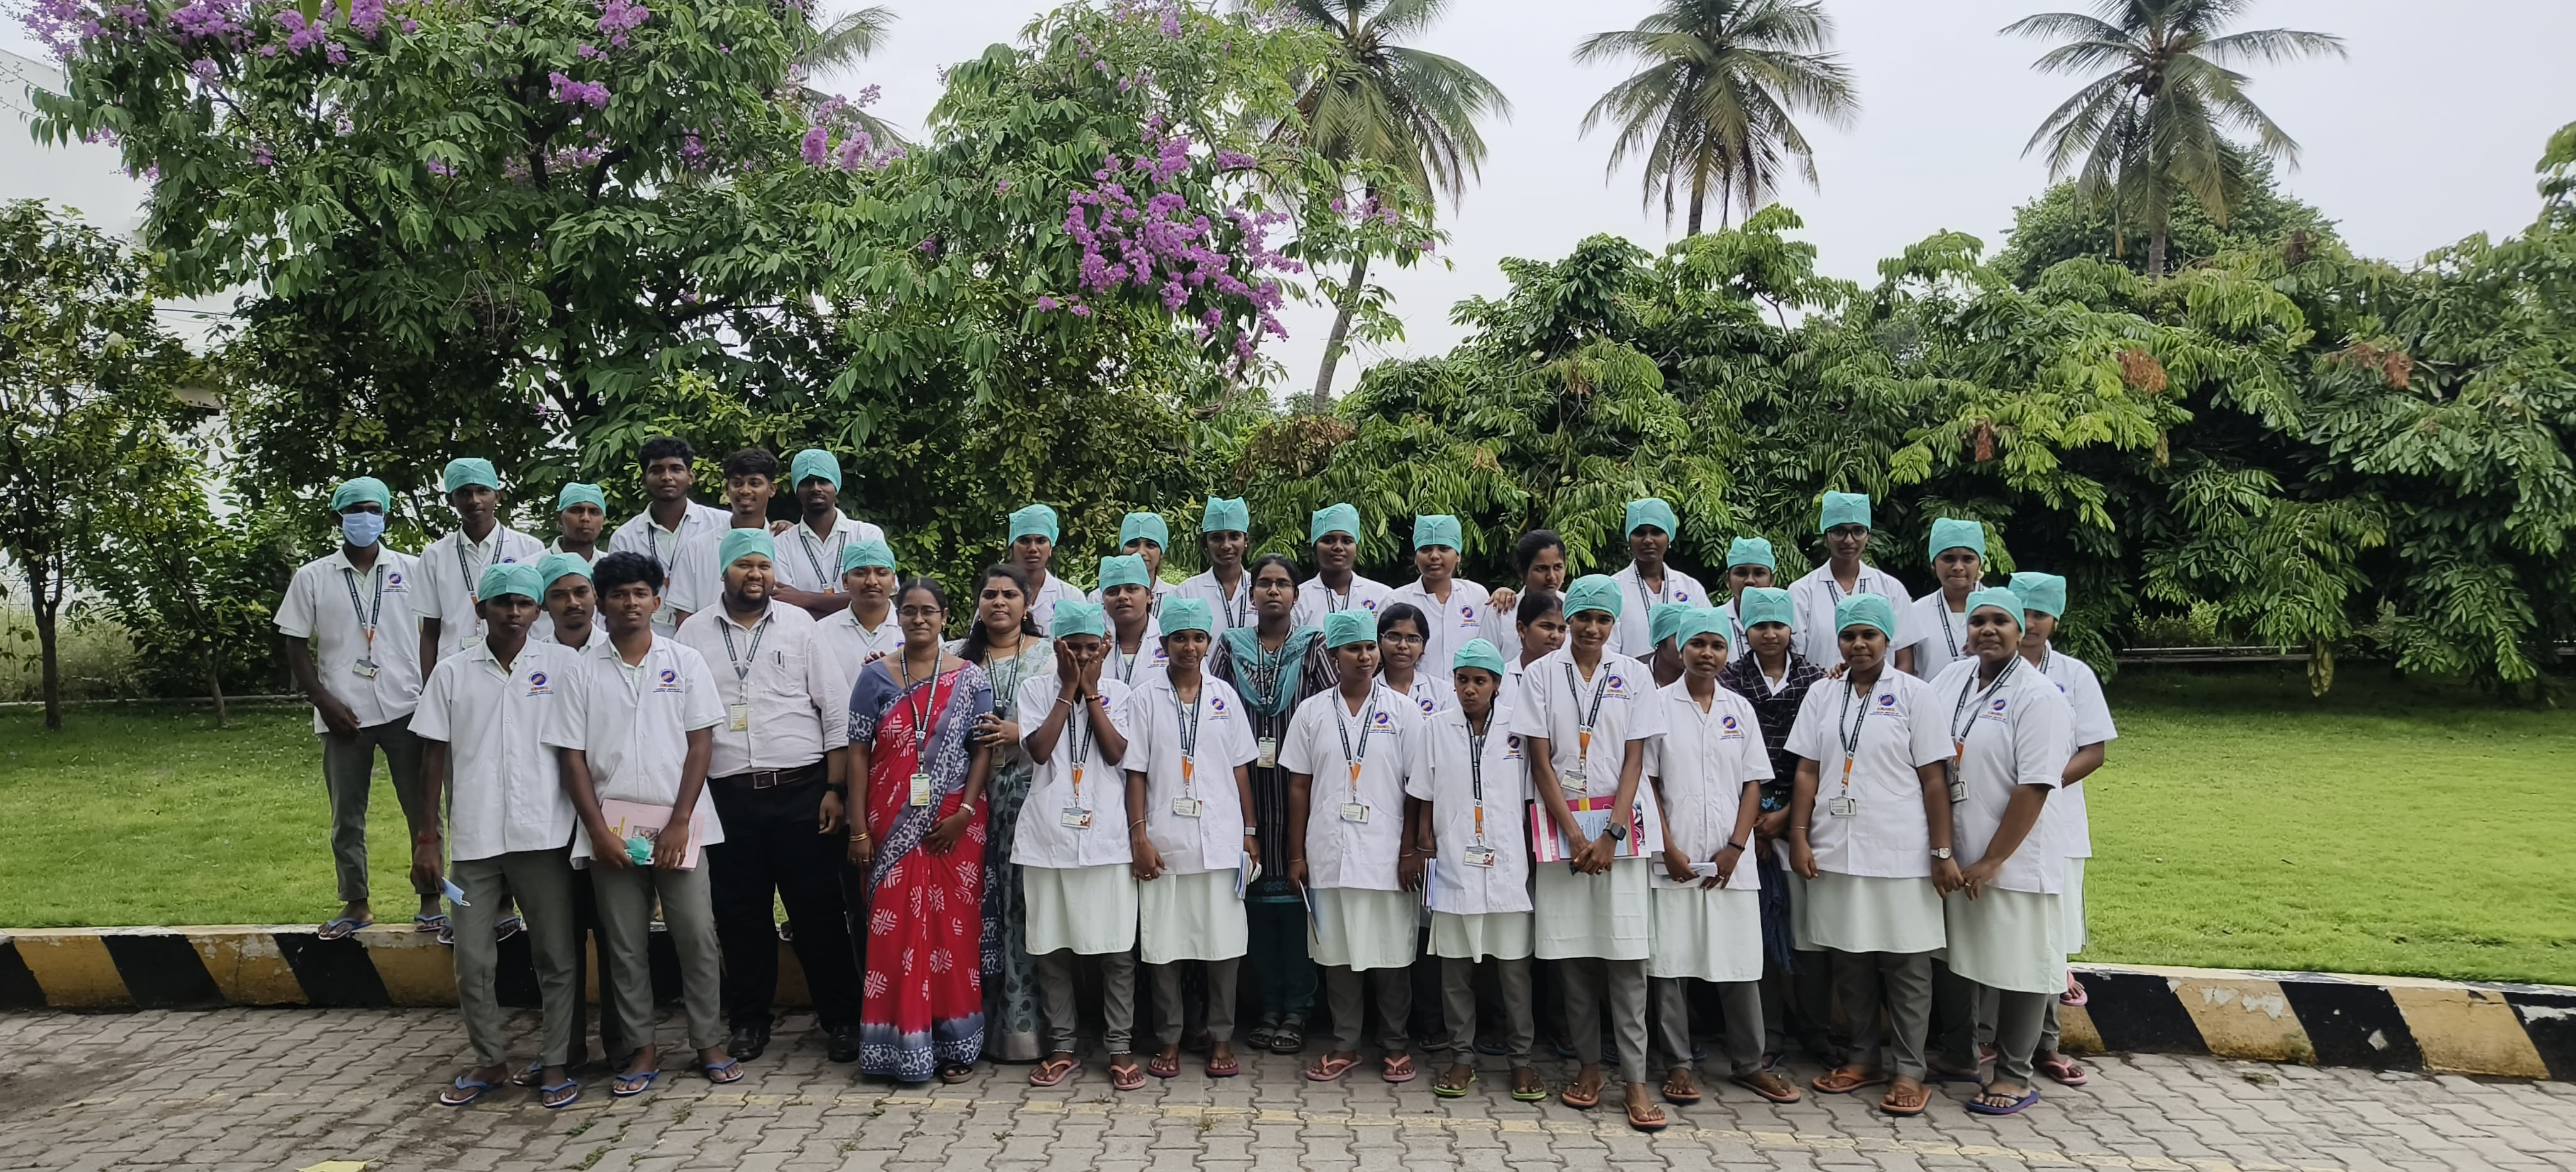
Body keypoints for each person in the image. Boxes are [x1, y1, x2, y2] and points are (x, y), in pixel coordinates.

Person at [543, 551, 740, 1096]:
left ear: (657, 600)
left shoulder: (685, 661)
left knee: (696, 935)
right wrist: (598, 833)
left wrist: (680, 820)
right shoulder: (581, 671)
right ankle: (642, 1047)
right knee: (625, 944)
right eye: (617, 595)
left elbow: (701, 744)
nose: (629, 603)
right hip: (612, 831)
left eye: (639, 594)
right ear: (601, 604)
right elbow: (572, 759)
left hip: (681, 827)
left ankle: (708, 1041)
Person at [673, 529, 863, 1066]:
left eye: (763, 565)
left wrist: (834, 789)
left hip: (802, 793)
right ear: (724, 572)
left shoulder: (801, 625)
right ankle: (749, 1022)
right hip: (727, 797)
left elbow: (834, 711)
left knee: (818, 911)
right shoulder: (692, 633)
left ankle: (842, 1020)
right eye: (743, 565)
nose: (754, 574)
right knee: (740, 915)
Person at [412, 563, 583, 1109]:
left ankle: (555, 1062)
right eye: (502, 602)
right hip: (475, 842)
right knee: (472, 959)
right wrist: (427, 838)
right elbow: (432, 757)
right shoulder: (452, 672)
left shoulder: (563, 666)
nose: (514, 612)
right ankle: (489, 1060)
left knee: (555, 955)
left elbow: (580, 751)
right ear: (480, 608)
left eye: (524, 603)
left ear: (538, 611)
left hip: (544, 835)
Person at [1784, 595, 1949, 1117]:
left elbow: (1934, 779)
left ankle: (1909, 1070)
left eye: (1869, 635)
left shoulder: (1916, 695)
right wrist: (1799, 836)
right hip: (1836, 847)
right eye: (1849, 636)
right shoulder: (1822, 693)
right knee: (1849, 957)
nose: (1859, 645)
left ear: (1887, 639)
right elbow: (1807, 770)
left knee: (1907, 963)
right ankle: (1863, 1059)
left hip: (1901, 850)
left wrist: (1942, 850)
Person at [1518, 575, 1668, 1131]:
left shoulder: (1633, 675)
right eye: (1582, 617)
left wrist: (1610, 835)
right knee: (1575, 960)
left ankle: (1635, 1080)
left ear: (1614, 624)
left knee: (1627, 961)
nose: (1591, 628)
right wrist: (1575, 836)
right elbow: (1540, 762)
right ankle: (1588, 1068)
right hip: (1561, 835)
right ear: (1569, 619)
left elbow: (1635, 761)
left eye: (1603, 619)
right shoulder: (1539, 674)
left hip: (1618, 836)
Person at [1917, 587, 2074, 1118]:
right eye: (1978, 620)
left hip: (2014, 856)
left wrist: (1993, 859)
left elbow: (2035, 786)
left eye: (2000, 621)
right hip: (1958, 849)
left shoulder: (2039, 697)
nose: (1987, 629)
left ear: (2019, 631)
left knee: (2020, 963)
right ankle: (1961, 1056)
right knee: (1958, 958)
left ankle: (2014, 1074)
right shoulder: (1953, 678)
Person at [1643, 610, 1798, 1108]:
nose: (1707, 653)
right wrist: (1667, 848)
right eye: (1697, 644)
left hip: (1732, 861)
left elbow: (1753, 783)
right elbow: (1648, 784)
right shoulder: (1657, 706)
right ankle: (1678, 1064)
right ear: (1681, 648)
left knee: (1739, 962)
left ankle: (1749, 1064)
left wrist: (1736, 847)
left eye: (1716, 645)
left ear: (1727, 653)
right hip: (1675, 857)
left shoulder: (1740, 709)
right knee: (1671, 965)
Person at [848, 577, 997, 1084]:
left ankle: (955, 1043)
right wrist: (858, 829)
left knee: (953, 933)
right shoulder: (874, 678)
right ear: (898, 616)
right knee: (893, 936)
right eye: (909, 610)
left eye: (928, 611)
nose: (918, 619)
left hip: (956, 822)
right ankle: (898, 1044)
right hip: (888, 821)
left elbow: (983, 749)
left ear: (945, 617)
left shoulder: (971, 679)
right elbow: (858, 754)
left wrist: (965, 812)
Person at [275, 477, 438, 939]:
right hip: (343, 714)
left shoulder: (413, 569)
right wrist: (323, 701)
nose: (364, 518)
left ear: (385, 516)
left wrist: (431, 694)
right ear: (338, 517)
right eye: (354, 510)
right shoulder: (313, 577)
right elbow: (294, 644)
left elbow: (434, 632)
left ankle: (430, 901)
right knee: (347, 816)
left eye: (373, 510)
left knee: (423, 812)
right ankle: (357, 903)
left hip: (407, 707)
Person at [1120, 597, 1260, 1080]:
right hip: (1164, 842)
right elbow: (1136, 773)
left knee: (1224, 947)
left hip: (1221, 840)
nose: (1190, 646)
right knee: (1164, 948)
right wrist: (1139, 837)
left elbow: (1240, 769)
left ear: (1208, 643)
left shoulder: (1224, 696)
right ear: (1164, 644)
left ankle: (1221, 1037)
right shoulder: (1144, 698)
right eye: (1180, 638)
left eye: (1198, 638)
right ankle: (1170, 1039)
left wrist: (1250, 832)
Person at [1284, 609, 1426, 1084]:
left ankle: (1395, 1043)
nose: (1365, 657)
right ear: (1333, 655)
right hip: (1328, 849)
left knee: (1392, 953)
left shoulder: (1403, 711)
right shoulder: (1311, 712)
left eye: (1369, 647)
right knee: (1337, 953)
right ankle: (1345, 1044)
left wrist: (1410, 850)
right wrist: (1296, 854)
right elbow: (1299, 786)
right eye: (1353, 649)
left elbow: (1417, 788)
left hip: (1387, 853)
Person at [1013, 601, 1145, 1091]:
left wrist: (1090, 693)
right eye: (1073, 648)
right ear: (1057, 648)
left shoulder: (1121, 693)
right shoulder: (1035, 689)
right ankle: (1063, 1048)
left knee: (1116, 950)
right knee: (1051, 948)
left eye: (1092, 647)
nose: (1084, 656)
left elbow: (1116, 753)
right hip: (1047, 837)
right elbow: (1039, 750)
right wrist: (1068, 690)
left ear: (1105, 648)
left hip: (1107, 838)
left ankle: (1119, 1048)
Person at [1407, 639, 1545, 1102]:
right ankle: (1461, 1058)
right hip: (1454, 863)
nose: (1470, 689)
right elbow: (1423, 797)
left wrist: (1533, 854)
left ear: (1497, 685)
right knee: (1455, 972)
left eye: (1479, 681)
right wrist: (1424, 846)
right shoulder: (1436, 727)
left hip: (1507, 865)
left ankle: (1521, 1062)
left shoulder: (1518, 730)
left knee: (1515, 974)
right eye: (1463, 679)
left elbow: (1532, 797)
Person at [1207, 555, 1332, 1055]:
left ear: (1297, 595)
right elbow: (1211, 701)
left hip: (1300, 788)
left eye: (1283, 584)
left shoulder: (1314, 645)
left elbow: (1330, 708)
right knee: (1255, 906)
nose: (1273, 591)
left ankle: (1298, 1009)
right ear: (1251, 593)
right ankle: (1267, 1008)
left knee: (1296, 906)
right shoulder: (1229, 645)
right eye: (1264, 583)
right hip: (1243, 790)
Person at [1716, 586, 1835, 1069]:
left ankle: (1817, 1032)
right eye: (1760, 625)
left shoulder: (1816, 680)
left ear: (1792, 629)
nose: (1769, 634)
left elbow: (1821, 756)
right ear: (1745, 630)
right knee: (1759, 933)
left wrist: (1787, 817)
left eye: (1778, 625)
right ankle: (1767, 1036)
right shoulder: (1727, 679)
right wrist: (1753, 826)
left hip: (1803, 819)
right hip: (1742, 820)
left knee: (1809, 936)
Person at [2009, 572, 2116, 1088]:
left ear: (2056, 619)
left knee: (2049, 941)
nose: (2030, 624)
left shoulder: (2075, 675)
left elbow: (2094, 751)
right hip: (1994, 821)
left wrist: (2041, 783)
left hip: (2056, 823)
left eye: (2040, 615)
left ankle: (2046, 1045)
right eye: (2023, 613)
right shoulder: (1977, 672)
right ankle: (1989, 1041)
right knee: (1996, 931)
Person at [953, 564, 1057, 1063]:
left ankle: (1024, 1027)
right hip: (964, 799)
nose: (999, 602)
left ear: (1027, 604)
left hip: (1027, 795)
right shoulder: (956, 656)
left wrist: (1020, 732)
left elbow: (1067, 716)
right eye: (990, 594)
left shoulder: (1049, 657)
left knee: (1021, 905)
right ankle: (966, 1023)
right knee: (974, 905)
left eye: (1010, 594)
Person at [418, 457, 547, 677]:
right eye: (464, 493)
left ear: (497, 496)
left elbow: (539, 619)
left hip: (519, 668)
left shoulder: (530, 548)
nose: (474, 500)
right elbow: (430, 630)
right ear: (450, 500)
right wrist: (429, 686)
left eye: (483, 491)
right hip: (455, 671)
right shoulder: (435, 555)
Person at [608, 437, 730, 632]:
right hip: (648, 636)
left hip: (710, 634)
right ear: (644, 480)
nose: (666, 477)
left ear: (691, 476)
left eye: (676, 469)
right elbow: (618, 594)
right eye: (656, 470)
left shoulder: (722, 524)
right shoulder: (624, 537)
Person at [1788, 492, 1914, 673]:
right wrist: (1825, 686)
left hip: (1883, 689)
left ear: (1868, 537)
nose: (1849, 540)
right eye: (1839, 532)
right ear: (1825, 537)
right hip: (1820, 687)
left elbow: (1904, 659)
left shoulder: (1891, 589)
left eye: (1858, 531)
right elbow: (1795, 659)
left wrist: (1890, 691)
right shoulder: (1802, 592)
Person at [665, 449, 784, 629]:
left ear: (772, 489)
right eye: (737, 483)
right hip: (709, 644)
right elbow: (684, 616)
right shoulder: (698, 547)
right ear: (728, 489)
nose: (745, 490)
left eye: (754, 483)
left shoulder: (783, 542)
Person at [772, 448, 891, 619]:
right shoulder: (781, 544)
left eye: (823, 481)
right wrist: (849, 602)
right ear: (797, 490)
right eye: (806, 482)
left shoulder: (867, 535)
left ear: (836, 486)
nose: (816, 488)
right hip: (802, 635)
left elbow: (878, 598)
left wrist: (805, 599)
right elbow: (785, 606)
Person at [1386, 514, 1491, 683]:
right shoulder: (1396, 600)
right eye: (1426, 549)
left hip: (1466, 694)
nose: (1434, 556)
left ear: (1458, 556)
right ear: (1416, 557)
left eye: (1444, 548)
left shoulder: (1477, 596)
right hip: (1414, 694)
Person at [1611, 498, 1709, 661]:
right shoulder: (1613, 589)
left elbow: (1707, 638)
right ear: (1629, 539)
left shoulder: (1690, 587)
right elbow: (1608, 651)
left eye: (1656, 532)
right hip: (1626, 676)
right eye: (1640, 533)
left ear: (1669, 537)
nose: (1648, 540)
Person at [1899, 518, 1990, 681]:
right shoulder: (1916, 612)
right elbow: (1905, 674)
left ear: (1980, 564)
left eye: (1968, 559)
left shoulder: (2002, 608)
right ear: (1933, 563)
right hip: (1929, 696)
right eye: (1948, 559)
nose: (1958, 567)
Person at [816, 538, 902, 677]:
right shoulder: (821, 632)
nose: (872, 582)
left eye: (881, 573)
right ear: (845, 581)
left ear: (893, 581)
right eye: (860, 574)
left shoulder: (914, 629)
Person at [1294, 503, 1391, 624]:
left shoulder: (1383, 596)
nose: (1338, 547)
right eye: (1328, 540)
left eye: (1347, 541)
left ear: (1356, 550)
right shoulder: (1298, 599)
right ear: (1314, 550)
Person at [1483, 530, 1569, 666]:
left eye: (1558, 567)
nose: (1551, 577)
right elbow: (1485, 662)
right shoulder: (1502, 611)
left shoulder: (1573, 610)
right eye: (1541, 569)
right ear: (1522, 572)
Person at [1172, 497, 1255, 633]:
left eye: (1234, 537)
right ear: (1206, 543)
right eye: (1217, 538)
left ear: (1246, 540)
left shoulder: (1260, 587)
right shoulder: (1187, 592)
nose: (1226, 546)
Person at [1008, 504, 1084, 636]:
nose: (1033, 548)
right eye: (1024, 541)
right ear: (1011, 549)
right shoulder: (996, 595)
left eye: (1041, 541)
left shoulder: (1071, 597)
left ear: (1050, 548)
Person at [1097, 554, 1169, 685]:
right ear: (1103, 602)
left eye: (1131, 589)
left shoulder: (1171, 638)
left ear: (1149, 596)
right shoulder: (1093, 643)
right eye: (1112, 592)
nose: (1122, 597)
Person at [1375, 602, 1455, 717]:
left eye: (1412, 639)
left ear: (1423, 646)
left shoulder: (1443, 692)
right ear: (1379, 641)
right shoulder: (1367, 692)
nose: (1403, 646)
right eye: (1393, 637)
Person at [1092, 512, 1179, 604]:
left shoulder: (1175, 596)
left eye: (1150, 545)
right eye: (1133, 544)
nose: (1140, 552)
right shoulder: (1098, 599)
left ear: (1161, 553)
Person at [1502, 589, 1567, 707]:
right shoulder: (1500, 680)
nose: (1556, 636)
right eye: (1547, 626)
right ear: (1521, 629)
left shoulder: (1571, 680)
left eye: (1562, 629)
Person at [1714, 538, 1776, 650]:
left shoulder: (1783, 625)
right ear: (1728, 580)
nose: (1750, 581)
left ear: (1772, 580)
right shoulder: (1714, 621)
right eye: (1741, 573)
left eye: (1759, 573)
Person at [536, 555, 605, 650]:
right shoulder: (533, 657)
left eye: (581, 592)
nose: (573, 603)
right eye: (560, 595)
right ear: (543, 604)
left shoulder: (619, 650)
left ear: (595, 595)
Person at [549, 484, 609, 562]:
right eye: (576, 511)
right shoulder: (536, 565)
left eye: (594, 512)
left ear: (603, 521)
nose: (585, 518)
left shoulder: (615, 567)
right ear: (559, 518)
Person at [1646, 601, 1693, 688]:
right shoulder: (1634, 674)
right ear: (1660, 638)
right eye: (1679, 638)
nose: (1687, 646)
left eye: (1693, 640)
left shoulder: (1709, 681)